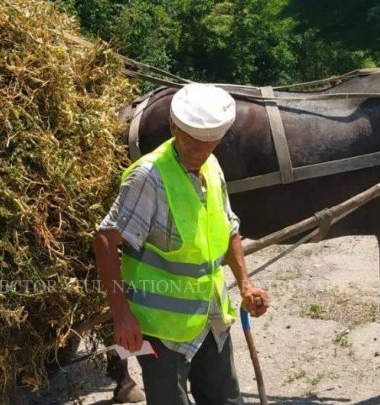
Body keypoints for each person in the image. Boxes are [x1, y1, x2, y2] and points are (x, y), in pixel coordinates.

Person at [94, 83, 270, 405]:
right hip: (163, 331)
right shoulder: (149, 177)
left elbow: (229, 228)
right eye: (190, 138)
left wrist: (245, 284)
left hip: (211, 317)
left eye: (209, 142)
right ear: (173, 126)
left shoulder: (212, 167)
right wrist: (121, 316)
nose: (199, 149)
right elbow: (106, 239)